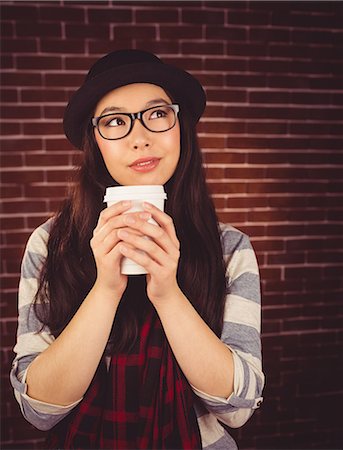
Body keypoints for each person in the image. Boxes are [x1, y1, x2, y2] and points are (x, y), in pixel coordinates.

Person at [10, 49, 264, 450]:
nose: (140, 137)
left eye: (158, 114)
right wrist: (105, 289)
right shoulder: (50, 244)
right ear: (95, 142)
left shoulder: (229, 248)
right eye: (114, 121)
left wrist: (167, 293)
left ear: (180, 126)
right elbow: (39, 410)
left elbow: (239, 408)